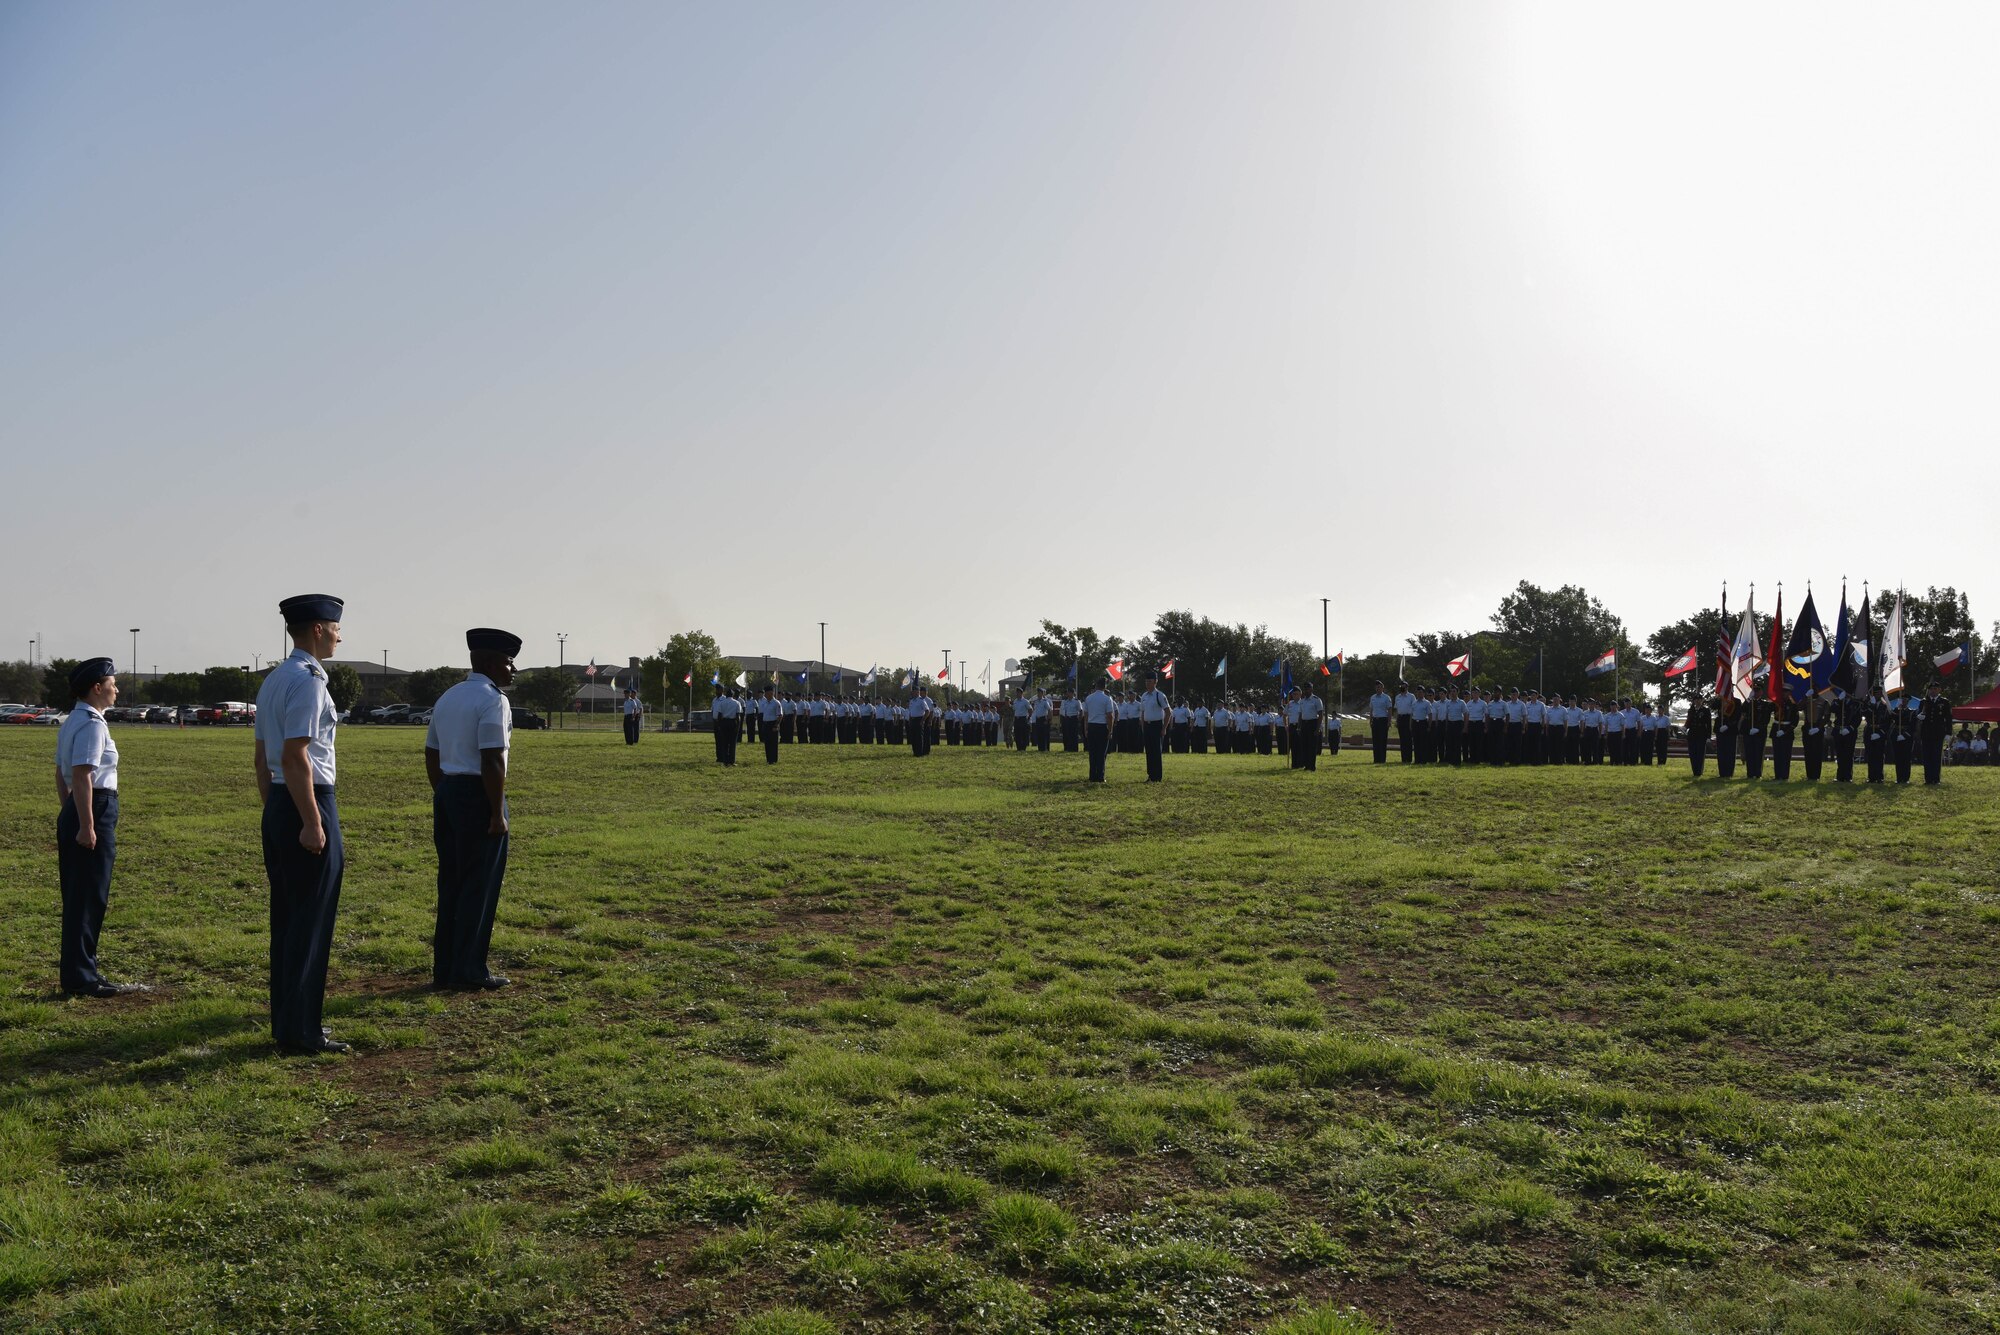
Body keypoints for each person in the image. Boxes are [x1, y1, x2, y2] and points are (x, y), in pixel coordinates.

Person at [254, 594, 349, 1054]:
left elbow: (261, 758)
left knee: (289, 920)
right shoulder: (309, 681)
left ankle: (289, 1025)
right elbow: (296, 755)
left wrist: (276, 809)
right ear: (317, 629)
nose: (338, 635)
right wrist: (311, 821)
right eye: (334, 627)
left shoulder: (274, 679)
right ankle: (302, 1032)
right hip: (307, 802)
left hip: (279, 801)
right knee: (309, 921)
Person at [425, 628, 518, 992]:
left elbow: (432, 752)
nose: (513, 670)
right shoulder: (493, 700)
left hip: (448, 790)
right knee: (479, 886)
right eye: (510, 662)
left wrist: (444, 791)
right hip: (480, 795)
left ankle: (445, 968)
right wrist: (496, 813)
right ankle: (470, 969)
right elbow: (493, 758)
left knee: (451, 882)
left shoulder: (448, 696)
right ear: (494, 663)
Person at [55, 657, 145, 998]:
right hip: (94, 807)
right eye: (113, 683)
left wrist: (71, 813)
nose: (116, 689)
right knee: (89, 896)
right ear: (97, 687)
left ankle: (84, 970)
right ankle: (81, 977)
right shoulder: (92, 724)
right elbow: (81, 775)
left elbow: (60, 774)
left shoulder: (73, 720)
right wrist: (86, 824)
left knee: (82, 896)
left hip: (80, 809)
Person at [1137, 670, 1170, 782]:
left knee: (1156, 751)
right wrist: (1142, 725)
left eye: (1150, 681)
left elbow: (1168, 712)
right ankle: (1150, 775)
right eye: (1146, 681)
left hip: (1157, 726)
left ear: (1155, 682)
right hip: (1147, 725)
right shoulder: (1144, 696)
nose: (1147, 683)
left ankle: (1157, 777)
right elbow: (1142, 712)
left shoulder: (1160, 695)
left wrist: (1164, 728)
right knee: (1149, 751)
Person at [1919, 680, 1952, 784]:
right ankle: (1928, 779)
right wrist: (1920, 716)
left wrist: (1948, 733)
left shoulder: (1944, 702)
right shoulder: (1924, 702)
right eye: (1931, 689)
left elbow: (1948, 718)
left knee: (1936, 756)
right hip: (1926, 733)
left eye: (1935, 689)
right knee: (1927, 756)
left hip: (1938, 733)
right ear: (1928, 690)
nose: (1933, 691)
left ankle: (1936, 779)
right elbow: (1919, 714)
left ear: (1939, 690)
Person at [1082, 677, 1115, 782]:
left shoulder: (1089, 698)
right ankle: (1100, 776)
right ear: (1105, 686)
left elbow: (1086, 715)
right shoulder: (1107, 698)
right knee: (1101, 753)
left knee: (1092, 753)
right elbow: (1110, 716)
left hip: (1091, 726)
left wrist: (1086, 728)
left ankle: (1092, 775)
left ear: (1096, 685)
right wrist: (1110, 730)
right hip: (1102, 727)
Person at [1296, 684, 1325, 771]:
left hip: (1313, 723)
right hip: (1304, 724)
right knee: (1304, 746)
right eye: (1305, 689)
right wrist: (1298, 727)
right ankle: (1306, 765)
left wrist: (1317, 728)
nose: (1306, 690)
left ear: (1312, 689)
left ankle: (1312, 766)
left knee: (1312, 746)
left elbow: (1320, 715)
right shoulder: (1302, 701)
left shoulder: (1316, 700)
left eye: (1308, 689)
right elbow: (1300, 714)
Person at [710, 689, 741, 764]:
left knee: (724, 743)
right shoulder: (737, 703)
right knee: (732, 743)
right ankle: (731, 761)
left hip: (724, 722)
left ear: (726, 695)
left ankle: (725, 760)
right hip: (732, 723)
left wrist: (719, 725)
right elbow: (738, 716)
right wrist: (738, 726)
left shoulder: (722, 703)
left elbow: (719, 715)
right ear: (733, 695)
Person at [757, 685, 783, 763]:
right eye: (766, 693)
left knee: (773, 743)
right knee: (767, 743)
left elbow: (780, 715)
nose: (766, 695)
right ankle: (768, 759)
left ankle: (773, 760)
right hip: (766, 724)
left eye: (768, 693)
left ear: (772, 693)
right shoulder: (764, 703)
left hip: (773, 724)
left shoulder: (776, 703)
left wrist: (776, 725)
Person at [906, 685, 933, 756]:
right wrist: (910, 719)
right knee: (913, 737)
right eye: (913, 691)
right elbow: (910, 711)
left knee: (919, 737)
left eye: (915, 691)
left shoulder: (921, 701)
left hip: (919, 719)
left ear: (918, 692)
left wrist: (923, 720)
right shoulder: (911, 701)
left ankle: (919, 752)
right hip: (912, 720)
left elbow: (927, 711)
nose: (913, 692)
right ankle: (915, 752)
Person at [1390, 682, 1412, 762]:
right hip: (1400, 718)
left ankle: (1408, 759)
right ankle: (1403, 759)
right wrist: (1396, 720)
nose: (1402, 688)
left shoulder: (1411, 696)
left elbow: (1413, 709)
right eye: (1401, 686)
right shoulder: (1397, 697)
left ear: (1407, 687)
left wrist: (1411, 722)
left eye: (1404, 687)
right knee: (1402, 739)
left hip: (1408, 718)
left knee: (1408, 739)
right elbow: (1396, 710)